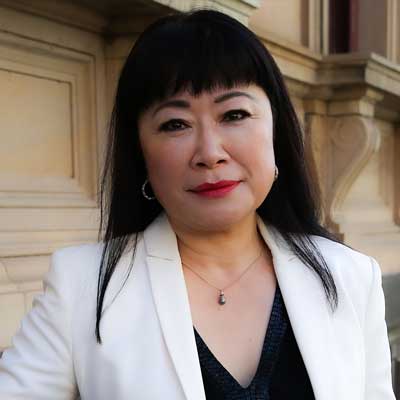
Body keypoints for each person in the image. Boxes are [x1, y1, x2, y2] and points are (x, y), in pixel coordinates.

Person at [0, 8, 395, 400]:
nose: (209, 152)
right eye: (175, 124)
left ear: (276, 132)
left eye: (234, 114)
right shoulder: (81, 286)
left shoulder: (349, 277)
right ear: (141, 154)